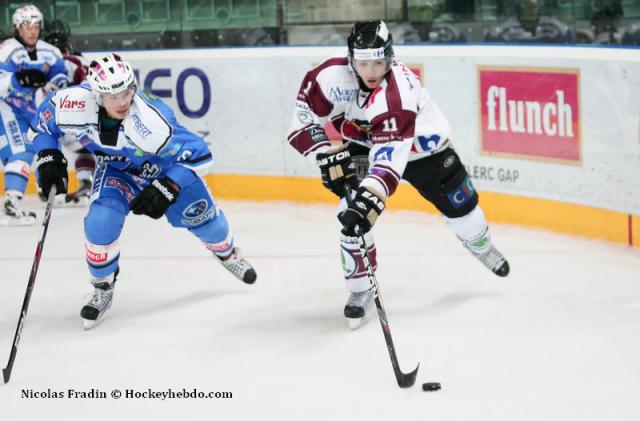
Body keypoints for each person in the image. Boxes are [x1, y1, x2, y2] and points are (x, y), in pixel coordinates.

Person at [287, 20, 509, 329]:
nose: (372, 70)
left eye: (379, 61)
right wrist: (325, 155)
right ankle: (361, 290)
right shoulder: (328, 78)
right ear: (351, 58)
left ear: (390, 56)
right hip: (363, 144)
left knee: (465, 212)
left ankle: (480, 244)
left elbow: (389, 160)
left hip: (424, 151)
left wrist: (372, 197)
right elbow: (301, 123)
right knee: (349, 215)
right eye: (364, 62)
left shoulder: (398, 92)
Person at [30, 53, 257, 329]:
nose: (123, 101)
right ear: (98, 96)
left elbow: (199, 155)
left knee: (209, 225)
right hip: (119, 171)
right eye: (113, 96)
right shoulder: (74, 103)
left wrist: (168, 186)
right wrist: (48, 155)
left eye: (127, 91)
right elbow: (44, 121)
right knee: (101, 220)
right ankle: (102, 286)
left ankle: (227, 253)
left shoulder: (151, 121)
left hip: (167, 170)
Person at [0, 4, 67, 225]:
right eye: (27, 26)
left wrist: (60, 86)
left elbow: (59, 78)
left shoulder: (50, 51)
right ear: (18, 27)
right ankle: (11, 202)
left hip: (30, 109)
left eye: (36, 25)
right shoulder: (7, 49)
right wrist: (18, 80)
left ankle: (44, 188)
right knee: (21, 150)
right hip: (6, 108)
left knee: (45, 143)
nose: (32, 31)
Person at [44, 19, 95, 206]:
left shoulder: (47, 64)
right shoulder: (79, 60)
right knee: (89, 149)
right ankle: (89, 183)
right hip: (83, 121)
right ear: (67, 47)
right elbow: (88, 87)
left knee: (50, 146)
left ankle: (52, 187)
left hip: (59, 122)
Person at [484, 0, 573, 44]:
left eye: (535, 5)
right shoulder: (503, 31)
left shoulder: (555, 27)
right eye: (529, 5)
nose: (533, 8)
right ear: (520, 5)